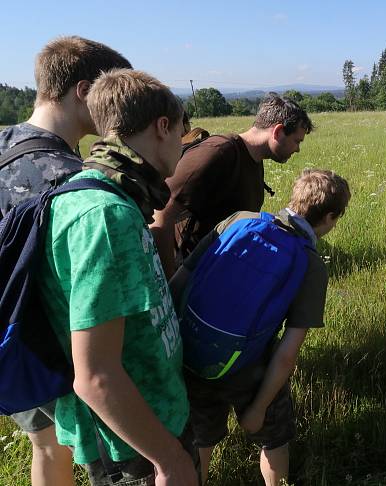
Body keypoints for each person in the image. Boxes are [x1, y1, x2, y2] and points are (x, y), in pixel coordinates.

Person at [38, 68, 197, 485]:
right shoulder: (104, 216)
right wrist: (171, 460)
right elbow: (96, 377)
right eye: (181, 132)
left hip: (155, 421)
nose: (182, 146)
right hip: (136, 449)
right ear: (163, 127)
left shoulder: (112, 195)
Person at [0, 35, 131, 486]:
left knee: (46, 445)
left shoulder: (4, 142)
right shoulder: (69, 181)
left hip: (10, 340)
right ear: (82, 92)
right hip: (54, 348)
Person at [170, 169, 350, 485]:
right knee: (274, 439)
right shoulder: (310, 265)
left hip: (193, 350)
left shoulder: (239, 220)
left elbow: (181, 280)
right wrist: (258, 408)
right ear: (331, 217)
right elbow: (286, 354)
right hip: (248, 366)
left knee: (200, 434)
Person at [151, 93, 313, 278]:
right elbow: (161, 212)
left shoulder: (254, 159)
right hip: (188, 275)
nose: (298, 149)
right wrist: (170, 282)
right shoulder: (217, 154)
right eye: (296, 141)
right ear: (277, 132)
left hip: (215, 273)